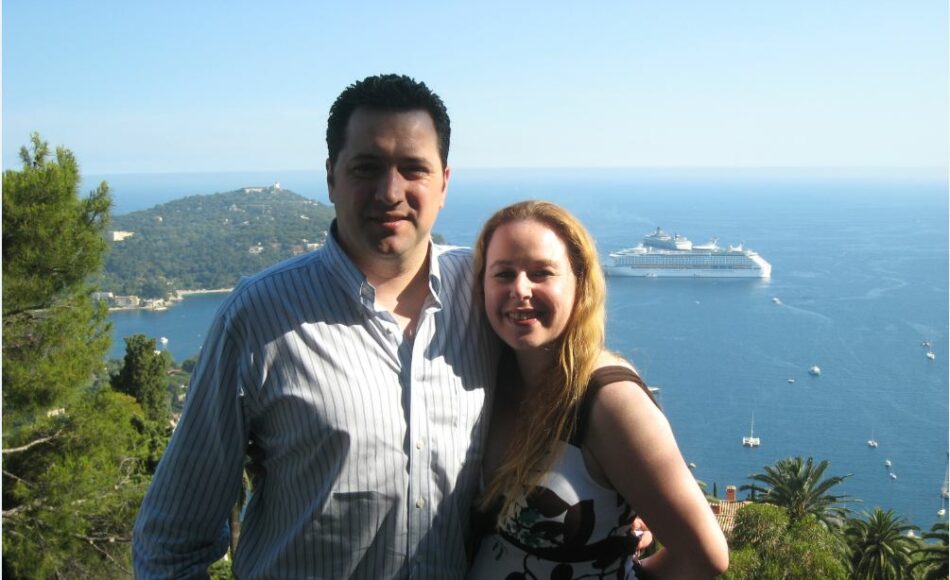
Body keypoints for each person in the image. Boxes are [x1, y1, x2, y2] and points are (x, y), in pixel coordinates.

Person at [133, 74, 498, 579]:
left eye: (413, 169)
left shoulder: (488, 295)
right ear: (331, 177)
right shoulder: (258, 316)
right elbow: (172, 541)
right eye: (366, 168)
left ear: (444, 182)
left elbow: (572, 374)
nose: (391, 192)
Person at [468, 201, 729, 579]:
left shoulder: (609, 400)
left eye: (542, 273)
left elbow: (705, 555)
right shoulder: (487, 376)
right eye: (503, 274)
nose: (520, 289)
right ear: (482, 284)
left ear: (580, 283)